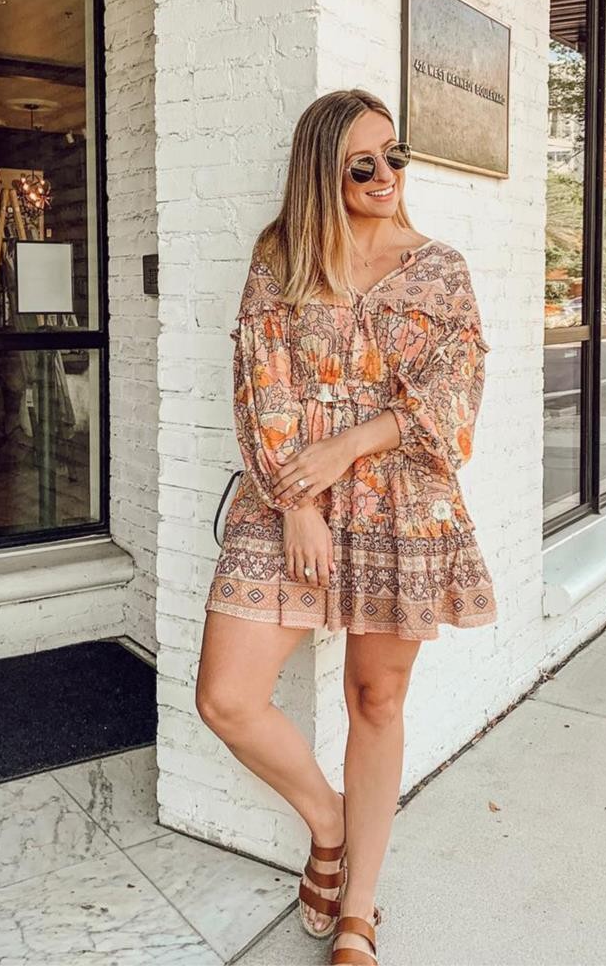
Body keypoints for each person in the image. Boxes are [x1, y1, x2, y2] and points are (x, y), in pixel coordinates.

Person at [195, 88, 498, 966]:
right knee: (226, 697)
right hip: (288, 490)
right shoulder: (281, 256)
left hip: (402, 500)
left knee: (376, 698)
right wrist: (297, 503)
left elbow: (454, 396)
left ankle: (359, 909)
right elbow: (261, 384)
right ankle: (331, 824)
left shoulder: (440, 269)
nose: (383, 175)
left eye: (393, 156)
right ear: (320, 172)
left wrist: (353, 444)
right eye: (361, 163)